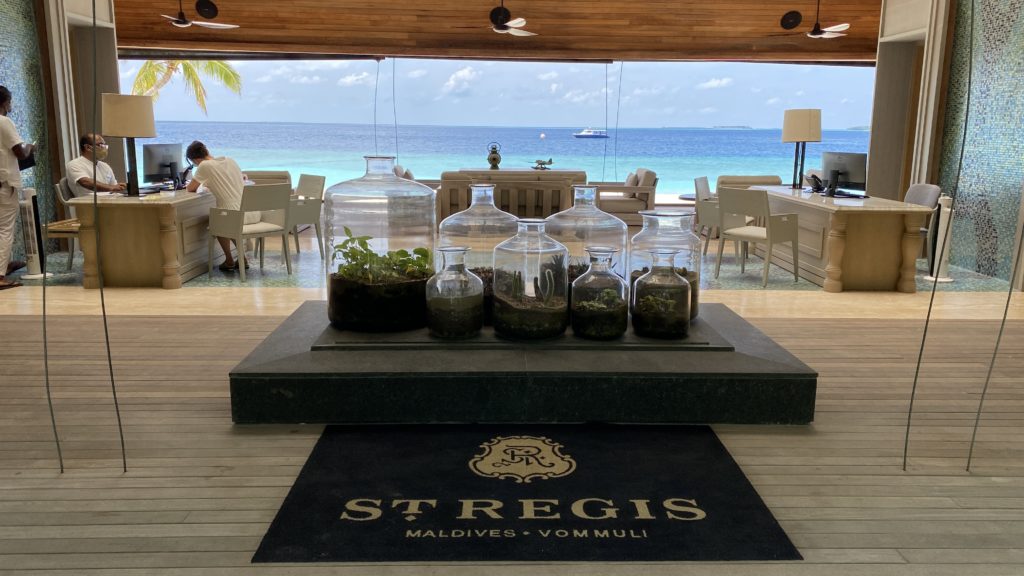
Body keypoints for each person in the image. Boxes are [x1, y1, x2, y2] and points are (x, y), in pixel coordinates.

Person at [185, 140, 257, 271]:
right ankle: (242, 258)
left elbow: (190, 188)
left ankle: (229, 260)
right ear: (206, 151)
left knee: (217, 220)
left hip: (233, 215)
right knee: (225, 218)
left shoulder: (205, 166)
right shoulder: (230, 160)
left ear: (195, 160)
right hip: (250, 212)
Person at [0, 86, 36, 290]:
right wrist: (30, 147)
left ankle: (4, 265)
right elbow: (20, 153)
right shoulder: (4, 121)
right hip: (4, 185)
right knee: (5, 230)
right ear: (5, 102)